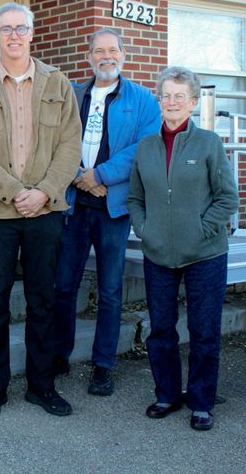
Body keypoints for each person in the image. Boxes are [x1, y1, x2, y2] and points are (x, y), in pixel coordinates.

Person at [0, 3, 81, 418]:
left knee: (42, 300)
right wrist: (16, 192)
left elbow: (70, 145)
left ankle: (41, 385)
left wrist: (44, 192)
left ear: (31, 34)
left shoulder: (58, 83)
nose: (13, 35)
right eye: (5, 28)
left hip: (46, 212)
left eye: (20, 28)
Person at [127, 66, 238, 432]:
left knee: (204, 331)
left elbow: (227, 198)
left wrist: (203, 230)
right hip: (158, 252)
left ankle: (202, 401)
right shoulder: (146, 146)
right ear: (158, 101)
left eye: (179, 96)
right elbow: (135, 197)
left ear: (192, 102)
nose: (172, 102)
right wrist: (145, 229)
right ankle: (168, 395)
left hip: (205, 253)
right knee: (162, 329)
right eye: (166, 95)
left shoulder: (208, 143)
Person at [52, 28, 161, 395]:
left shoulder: (142, 99)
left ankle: (103, 364)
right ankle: (59, 355)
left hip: (113, 208)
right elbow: (56, 141)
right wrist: (78, 177)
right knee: (64, 285)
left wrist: (100, 175)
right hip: (74, 205)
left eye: (112, 50)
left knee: (111, 290)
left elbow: (142, 148)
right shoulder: (74, 94)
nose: (106, 56)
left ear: (123, 54)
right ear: (89, 57)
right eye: (99, 51)